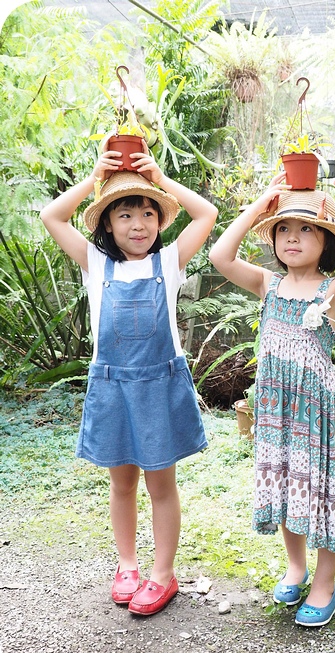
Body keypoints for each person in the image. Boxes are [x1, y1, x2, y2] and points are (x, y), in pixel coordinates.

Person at [40, 146, 218, 615]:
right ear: (107, 224)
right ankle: (127, 566)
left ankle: (164, 574)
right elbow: (52, 216)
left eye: (147, 213)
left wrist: (158, 178)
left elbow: (208, 213)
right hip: (113, 386)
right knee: (121, 485)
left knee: (162, 487)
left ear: (160, 221)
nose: (138, 224)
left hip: (158, 386)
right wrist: (95, 176)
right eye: (124, 214)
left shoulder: (171, 260)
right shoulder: (96, 265)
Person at [209, 171, 335, 627]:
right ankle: (296, 567)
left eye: (307, 229)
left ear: (326, 241)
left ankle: (325, 584)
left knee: (323, 494)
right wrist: (257, 208)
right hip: (277, 412)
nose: (292, 238)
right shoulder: (267, 284)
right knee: (287, 489)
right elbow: (219, 255)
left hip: (318, 411)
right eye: (283, 229)